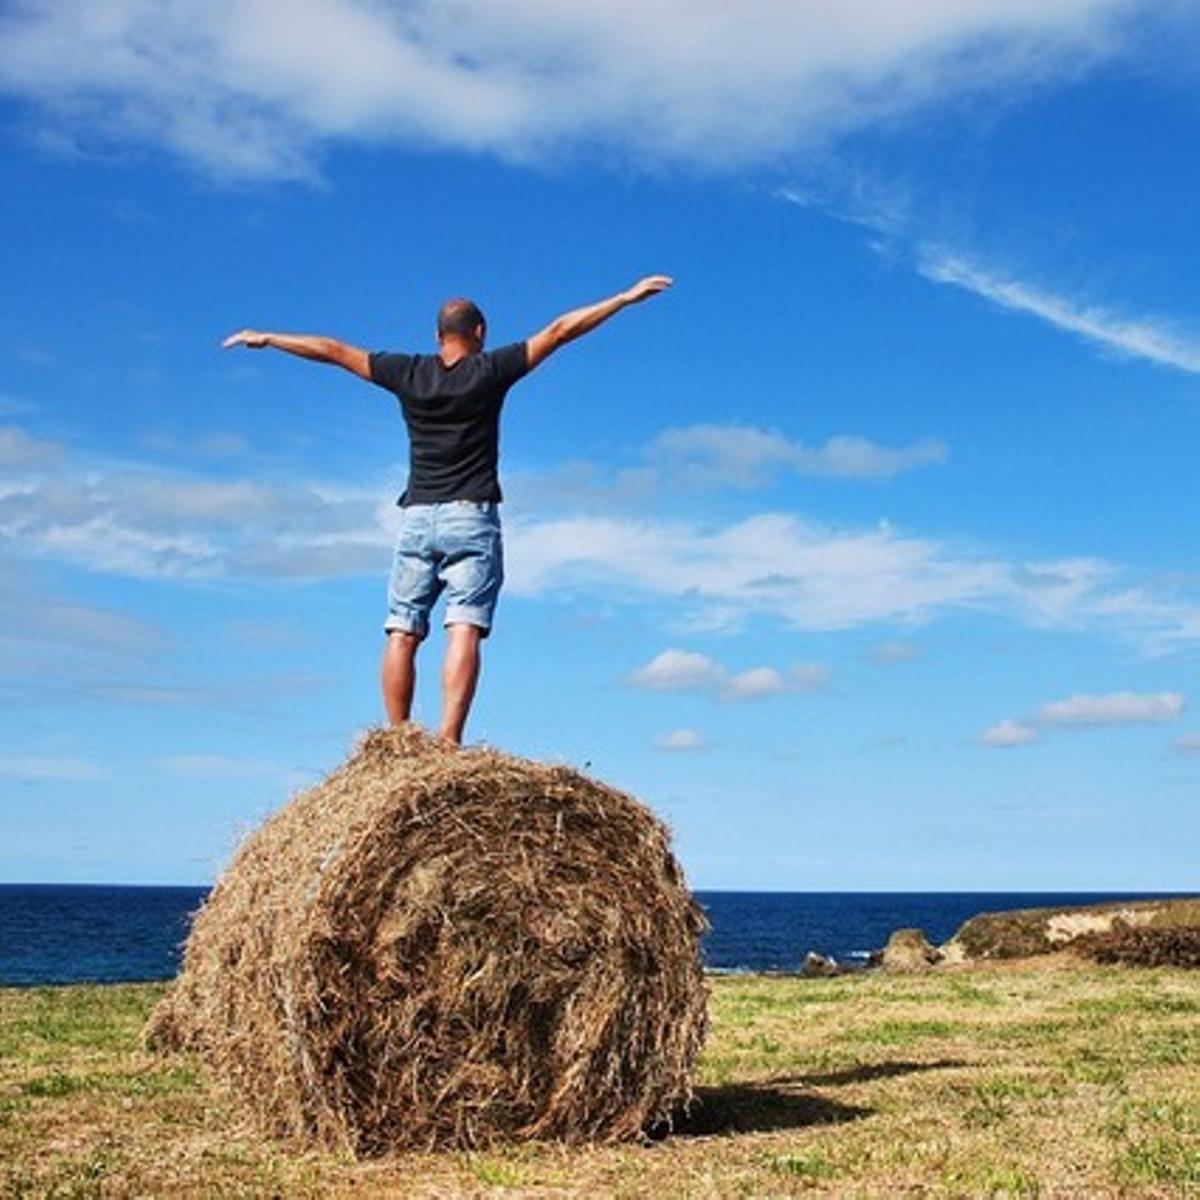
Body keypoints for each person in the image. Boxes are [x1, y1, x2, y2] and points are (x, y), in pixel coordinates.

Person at [223, 274, 671, 742]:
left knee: (402, 630)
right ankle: (448, 740)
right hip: (470, 517)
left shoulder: (408, 372)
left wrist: (269, 338)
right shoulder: (490, 370)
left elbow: (333, 349)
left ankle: (396, 742)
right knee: (465, 626)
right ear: (481, 332)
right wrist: (622, 299)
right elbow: (559, 330)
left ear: (438, 336)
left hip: (416, 517)